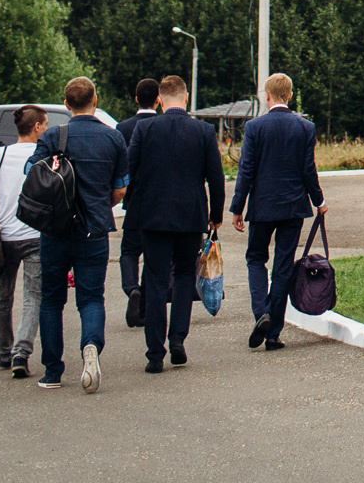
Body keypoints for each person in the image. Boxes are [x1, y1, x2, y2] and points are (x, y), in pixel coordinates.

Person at [31, 76, 129, 394]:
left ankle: (52, 371)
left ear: (66, 104)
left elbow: (32, 175)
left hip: (55, 231)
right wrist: (103, 203)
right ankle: (90, 347)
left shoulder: (52, 136)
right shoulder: (112, 138)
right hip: (95, 230)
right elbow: (120, 188)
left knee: (51, 300)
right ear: (95, 100)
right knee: (90, 298)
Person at [121, 74, 223, 373]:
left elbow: (131, 169)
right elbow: (215, 178)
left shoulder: (144, 128)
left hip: (151, 216)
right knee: (182, 275)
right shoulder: (203, 131)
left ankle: (154, 353)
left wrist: (136, 202)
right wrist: (215, 216)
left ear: (160, 100)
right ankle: (177, 338)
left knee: (153, 280)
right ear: (186, 97)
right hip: (190, 215)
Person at [229, 73, 324, 350]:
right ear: (291, 95)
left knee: (256, 259)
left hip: (262, 207)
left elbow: (246, 170)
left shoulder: (255, 127)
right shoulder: (306, 127)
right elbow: (309, 170)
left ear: (266, 96)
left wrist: (237, 207)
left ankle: (262, 314)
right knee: (283, 268)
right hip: (294, 207)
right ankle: (273, 335)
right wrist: (319, 201)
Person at [0, 104, 48, 377]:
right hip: (35, 235)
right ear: (37, 127)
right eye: (44, 124)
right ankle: (22, 352)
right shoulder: (45, 154)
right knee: (33, 297)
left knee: (2, 297)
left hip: (4, 238)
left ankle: (3, 351)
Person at [117, 78, 159, 327]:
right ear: (158, 100)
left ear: (135, 99)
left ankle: (131, 287)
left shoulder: (122, 128)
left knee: (129, 251)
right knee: (153, 254)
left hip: (133, 200)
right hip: (158, 201)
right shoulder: (162, 126)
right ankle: (141, 307)